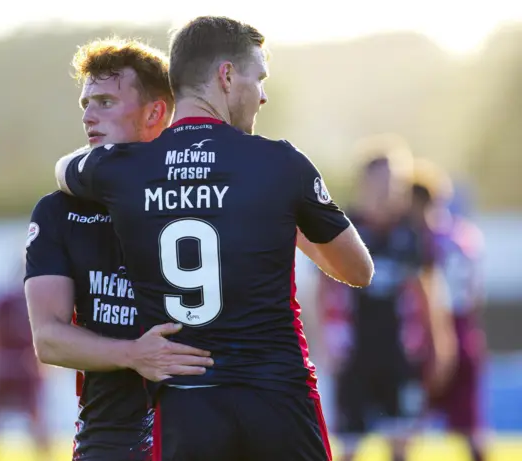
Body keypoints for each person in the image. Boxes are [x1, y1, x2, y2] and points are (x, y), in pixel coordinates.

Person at [54, 16, 373, 461]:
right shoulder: (279, 163)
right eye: (258, 77)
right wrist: (285, 221)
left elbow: (66, 169)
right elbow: (358, 270)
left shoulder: (123, 169)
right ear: (226, 76)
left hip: (187, 401)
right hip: (278, 395)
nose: (262, 94)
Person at [24, 38, 213, 461]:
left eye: (106, 101)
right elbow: (49, 339)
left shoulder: (205, 197)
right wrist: (134, 354)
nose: (89, 115)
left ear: (155, 113)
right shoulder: (60, 209)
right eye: (86, 103)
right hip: (111, 437)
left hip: (208, 429)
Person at [314, 137, 457, 461]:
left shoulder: (412, 233)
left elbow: (428, 292)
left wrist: (440, 344)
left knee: (402, 443)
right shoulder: (344, 227)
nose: (388, 189)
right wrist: (325, 344)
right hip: (354, 354)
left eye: (395, 181)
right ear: (364, 182)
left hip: (400, 354)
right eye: (381, 180)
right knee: (348, 445)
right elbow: (323, 287)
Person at [410, 160, 487, 461]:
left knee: (405, 427)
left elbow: (427, 291)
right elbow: (477, 293)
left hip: (432, 333)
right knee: (471, 430)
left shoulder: (424, 239)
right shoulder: (466, 235)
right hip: (467, 329)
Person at [0, 266, 50, 461]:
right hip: (21, 364)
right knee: (32, 418)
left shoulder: (3, 300)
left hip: (8, 364)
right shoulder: (31, 300)